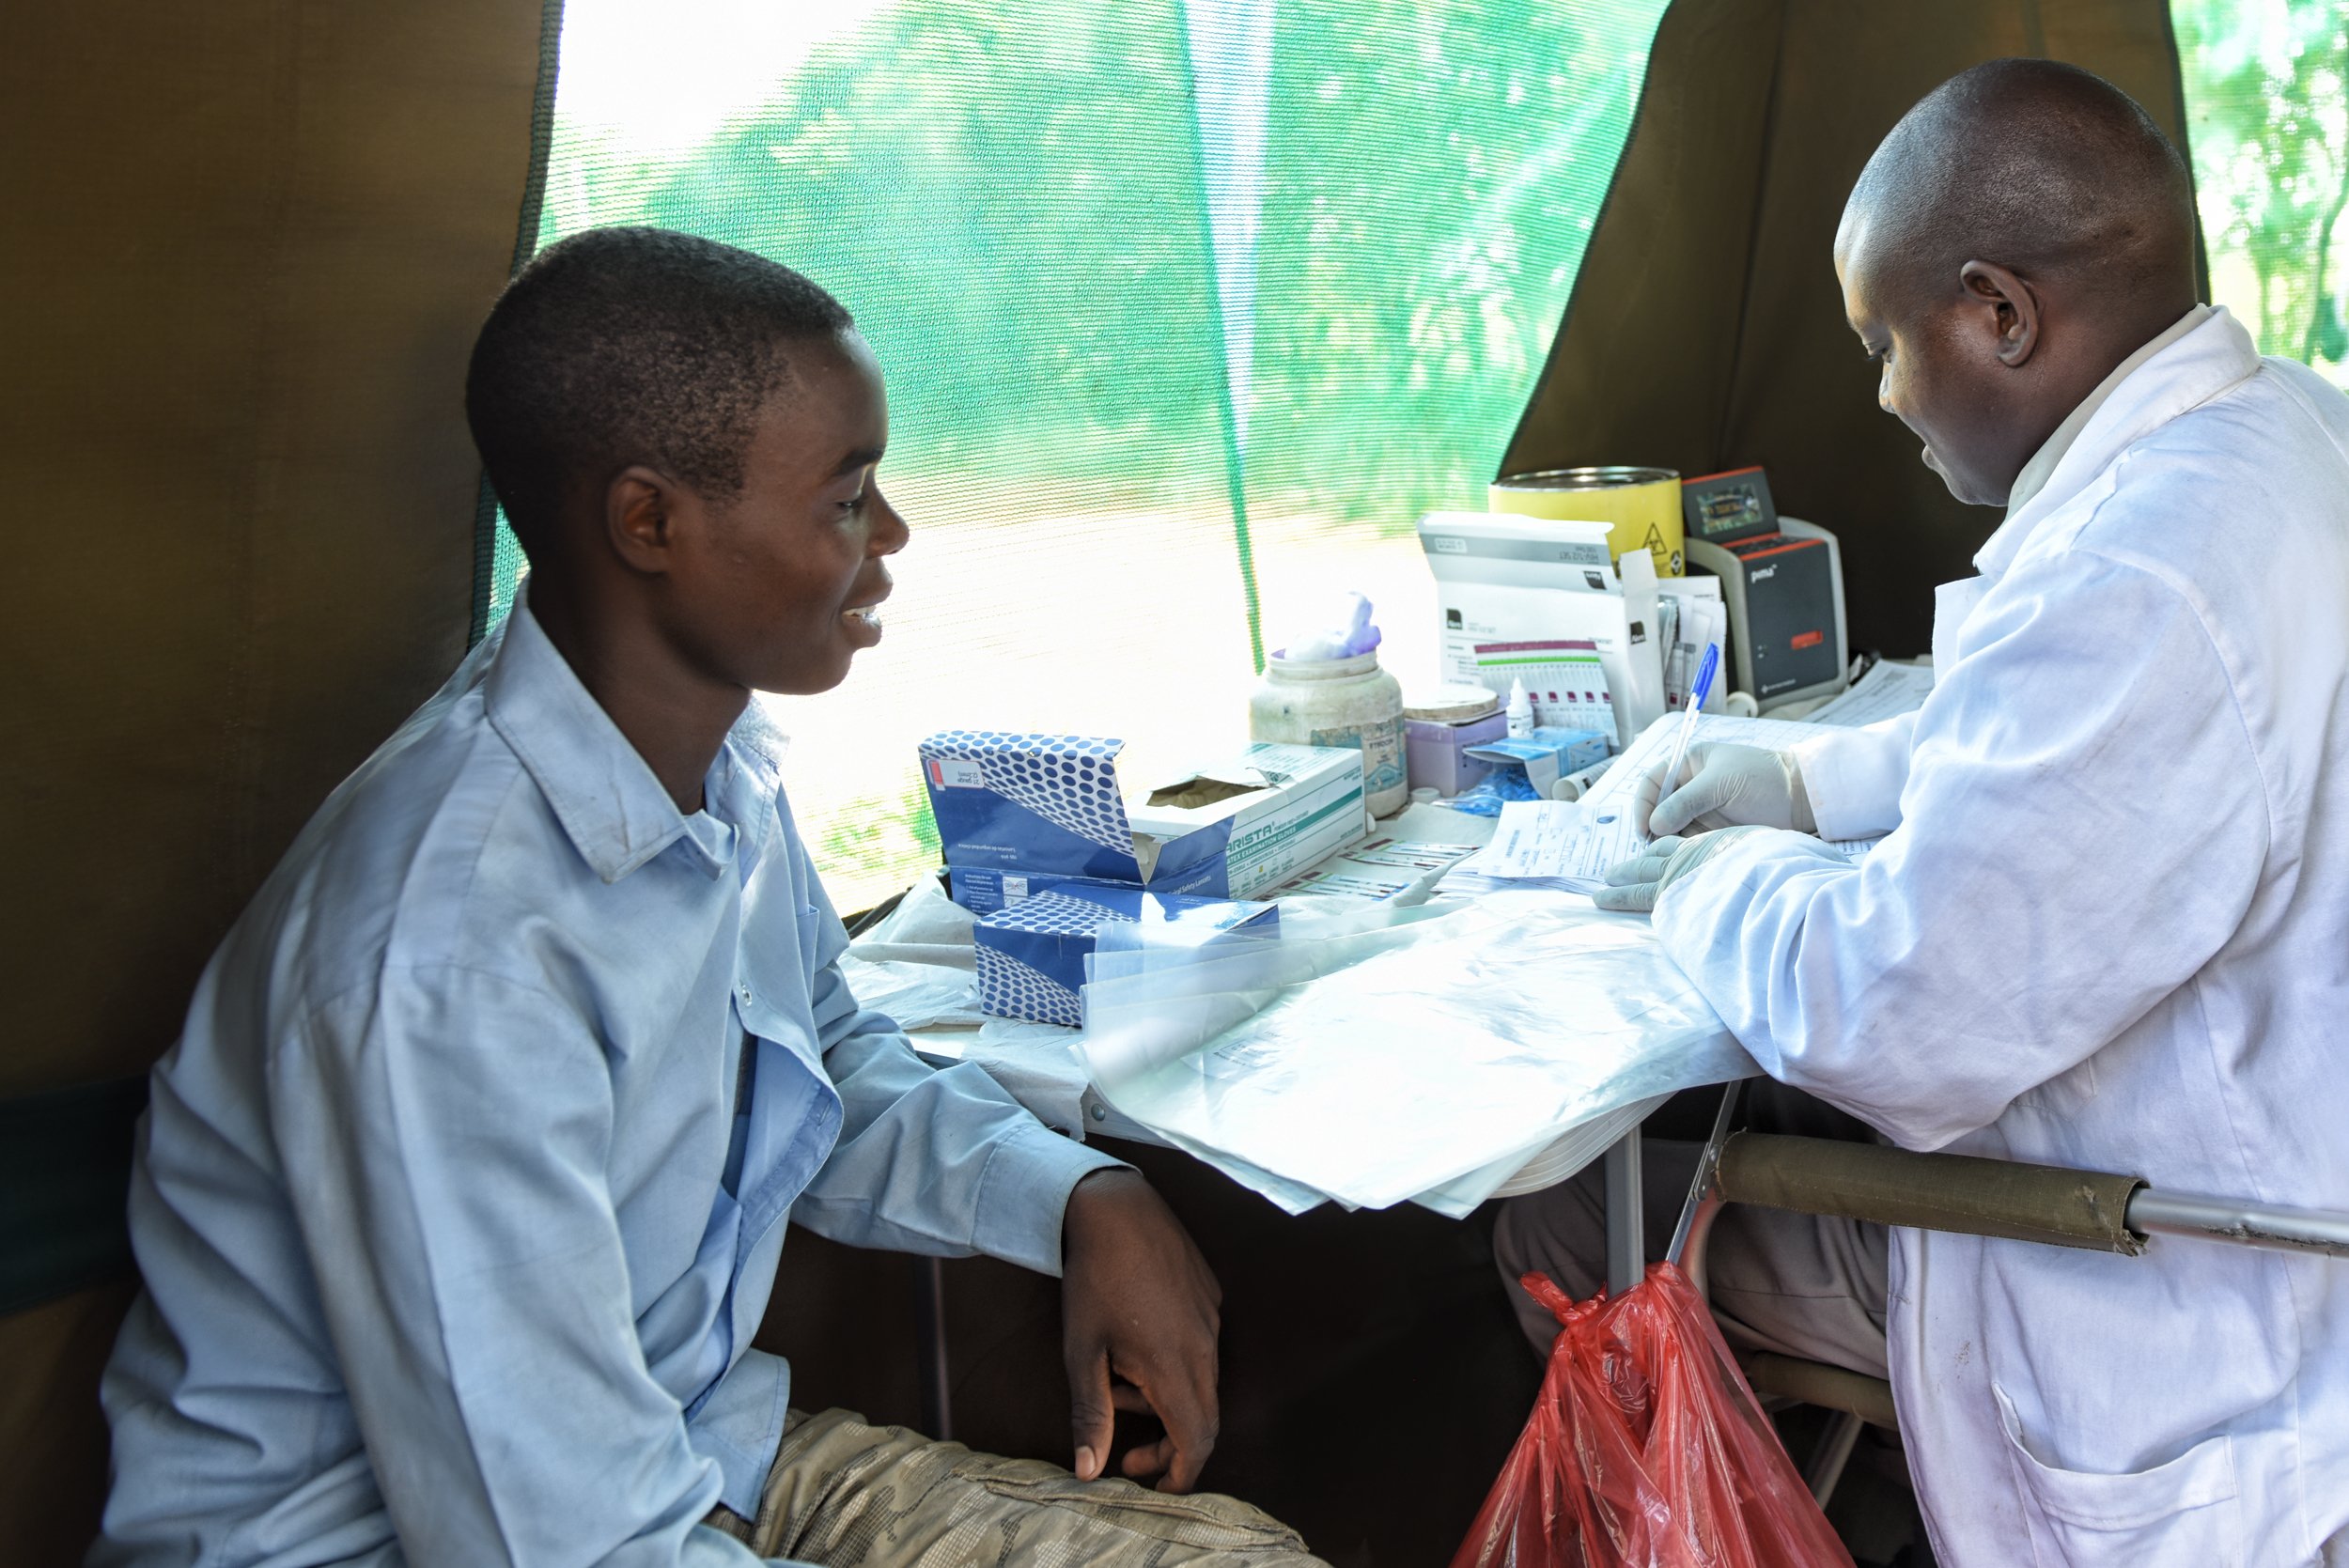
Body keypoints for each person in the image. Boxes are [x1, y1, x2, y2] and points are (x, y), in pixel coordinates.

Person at [91, 226, 1324, 1567]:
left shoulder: (709, 770)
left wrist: (1084, 1198)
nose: (892, 536)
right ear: (650, 524)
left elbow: (820, 1060)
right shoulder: (450, 966)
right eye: (847, 498)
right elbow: (561, 1543)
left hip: (696, 1455)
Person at [1500, 59, 2349, 1565]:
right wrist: (1810, 780)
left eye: (1885, 345)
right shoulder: (2283, 427)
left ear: (2001, 313)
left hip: (2180, 1290)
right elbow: (2067, 758)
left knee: (1562, 1222)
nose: (1886, 395)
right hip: (2267, 1170)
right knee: (1729, 1112)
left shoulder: (2138, 573)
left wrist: (1705, 877)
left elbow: (1890, 1016)